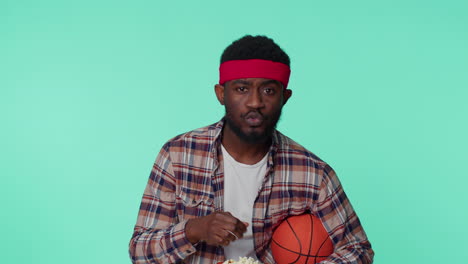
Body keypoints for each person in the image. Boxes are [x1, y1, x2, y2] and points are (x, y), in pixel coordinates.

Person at [129, 35, 374, 264]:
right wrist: (195, 229)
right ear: (221, 94)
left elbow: (358, 249)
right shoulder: (178, 155)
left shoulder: (312, 173)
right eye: (242, 89)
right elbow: (140, 252)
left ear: (285, 97)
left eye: (268, 90)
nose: (255, 102)